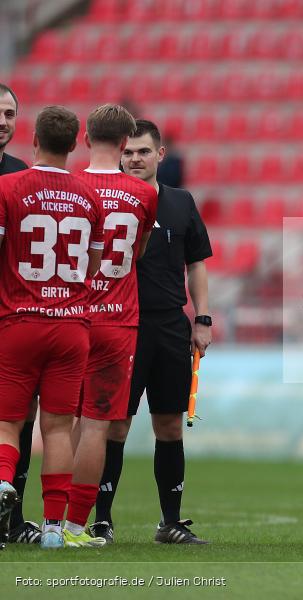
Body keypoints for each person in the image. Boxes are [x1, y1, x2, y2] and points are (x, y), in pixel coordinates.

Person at [91, 119, 212, 544]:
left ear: (161, 155)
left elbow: (196, 262)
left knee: (170, 425)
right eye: (128, 152)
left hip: (168, 325)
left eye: (143, 151)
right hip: (121, 324)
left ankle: (170, 522)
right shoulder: (106, 200)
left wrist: (203, 318)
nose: (135, 159)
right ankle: (101, 520)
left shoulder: (180, 202)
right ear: (119, 155)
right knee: (116, 425)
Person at [0, 105, 105, 549]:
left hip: (20, 319)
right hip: (72, 325)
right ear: (74, 143)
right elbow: (94, 264)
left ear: (35, 141)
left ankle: (3, 481)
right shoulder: (90, 195)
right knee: (58, 428)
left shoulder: (8, 186)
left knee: (6, 423)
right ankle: (51, 529)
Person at [67, 105, 157, 547]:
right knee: (97, 425)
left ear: (85, 137)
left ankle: (45, 519)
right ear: (125, 144)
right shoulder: (143, 193)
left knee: (57, 424)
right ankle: (75, 526)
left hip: (67, 314)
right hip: (117, 320)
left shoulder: (69, 186)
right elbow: (136, 255)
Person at [0, 82, 41, 546]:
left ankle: (13, 517)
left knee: (19, 416)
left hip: (14, 319)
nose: (3, 121)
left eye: (10, 114)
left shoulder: (19, 175)